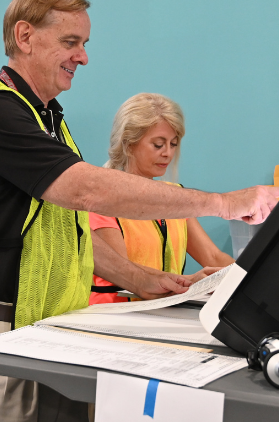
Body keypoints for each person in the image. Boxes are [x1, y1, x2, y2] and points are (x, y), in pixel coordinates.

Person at [0, 0, 279, 422]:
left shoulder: (48, 119)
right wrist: (224, 203)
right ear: (25, 36)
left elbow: (71, 236)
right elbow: (86, 192)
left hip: (45, 333)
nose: (84, 57)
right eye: (72, 41)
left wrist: (147, 279)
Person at [89, 93, 235, 304]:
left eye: (173, 144)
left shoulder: (176, 197)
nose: (167, 153)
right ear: (128, 144)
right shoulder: (101, 201)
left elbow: (213, 258)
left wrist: (248, 277)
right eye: (158, 145)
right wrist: (190, 282)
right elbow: (123, 272)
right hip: (113, 318)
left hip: (160, 312)